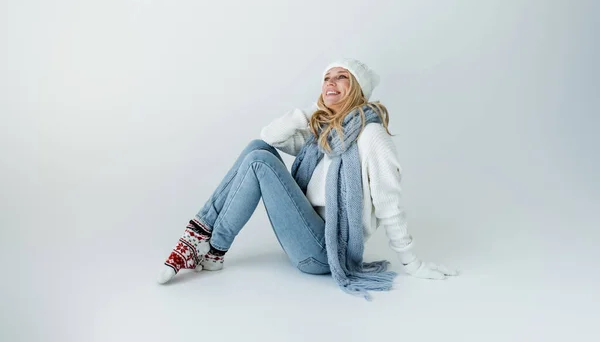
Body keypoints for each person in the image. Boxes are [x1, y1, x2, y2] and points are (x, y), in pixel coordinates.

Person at [157, 58, 458, 300]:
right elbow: (269, 136)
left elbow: (389, 203)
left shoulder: (371, 136)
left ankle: (207, 243)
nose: (331, 82)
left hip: (324, 254)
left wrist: (412, 263)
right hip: (305, 234)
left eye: (342, 77)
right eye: (327, 78)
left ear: (357, 88)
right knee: (257, 149)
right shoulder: (325, 131)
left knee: (260, 162)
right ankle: (210, 248)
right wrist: (315, 110)